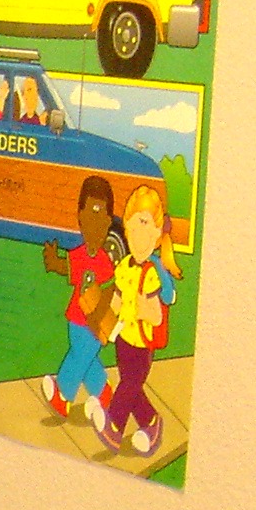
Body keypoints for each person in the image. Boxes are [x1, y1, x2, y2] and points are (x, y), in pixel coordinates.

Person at [92, 181, 178, 455]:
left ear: (156, 234)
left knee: (129, 384)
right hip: (123, 338)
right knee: (132, 386)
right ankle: (151, 423)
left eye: (145, 224)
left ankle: (114, 428)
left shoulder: (151, 274)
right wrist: (105, 322)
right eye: (133, 225)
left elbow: (155, 316)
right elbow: (117, 299)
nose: (138, 234)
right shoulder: (124, 267)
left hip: (142, 342)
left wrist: (142, 309)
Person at [40, 175, 117, 422]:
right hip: (75, 318)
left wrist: (104, 316)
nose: (94, 225)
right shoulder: (80, 254)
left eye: (100, 219)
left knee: (79, 357)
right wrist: (53, 261)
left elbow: (111, 291)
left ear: (108, 223)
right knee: (88, 362)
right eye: (89, 217)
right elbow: (66, 267)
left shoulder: (104, 262)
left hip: (93, 323)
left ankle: (63, 396)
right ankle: (105, 395)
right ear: (80, 218)